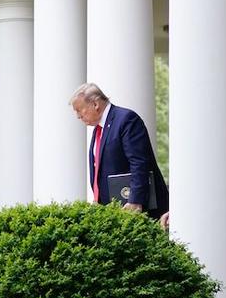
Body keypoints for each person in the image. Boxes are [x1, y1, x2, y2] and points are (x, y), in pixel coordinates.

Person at [70, 83, 170, 228]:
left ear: (95, 104)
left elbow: (139, 163)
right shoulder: (98, 130)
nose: (78, 116)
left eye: (80, 110)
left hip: (135, 209)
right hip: (112, 211)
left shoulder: (126, 119)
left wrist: (135, 200)